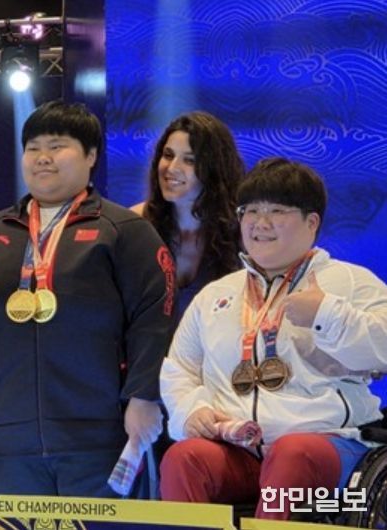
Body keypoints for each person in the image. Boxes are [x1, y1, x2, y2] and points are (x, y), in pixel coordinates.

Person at [0, 100, 176, 497]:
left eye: (57, 146)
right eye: (33, 148)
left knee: (103, 528)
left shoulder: (123, 230)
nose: (42, 157)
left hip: (97, 434)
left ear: (91, 155)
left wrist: (144, 396)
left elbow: (154, 320)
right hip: (9, 438)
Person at [159, 157, 387, 520]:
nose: (260, 223)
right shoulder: (216, 295)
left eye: (277, 211)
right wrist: (192, 411)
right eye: (251, 211)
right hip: (241, 449)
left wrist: (327, 315)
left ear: (312, 222)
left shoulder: (351, 282)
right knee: (184, 458)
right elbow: (180, 369)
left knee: (290, 455)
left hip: (327, 451)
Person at [132, 111, 245, 318]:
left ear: (215, 170)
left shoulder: (243, 231)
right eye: (168, 155)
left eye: (190, 160)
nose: (172, 168)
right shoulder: (135, 224)